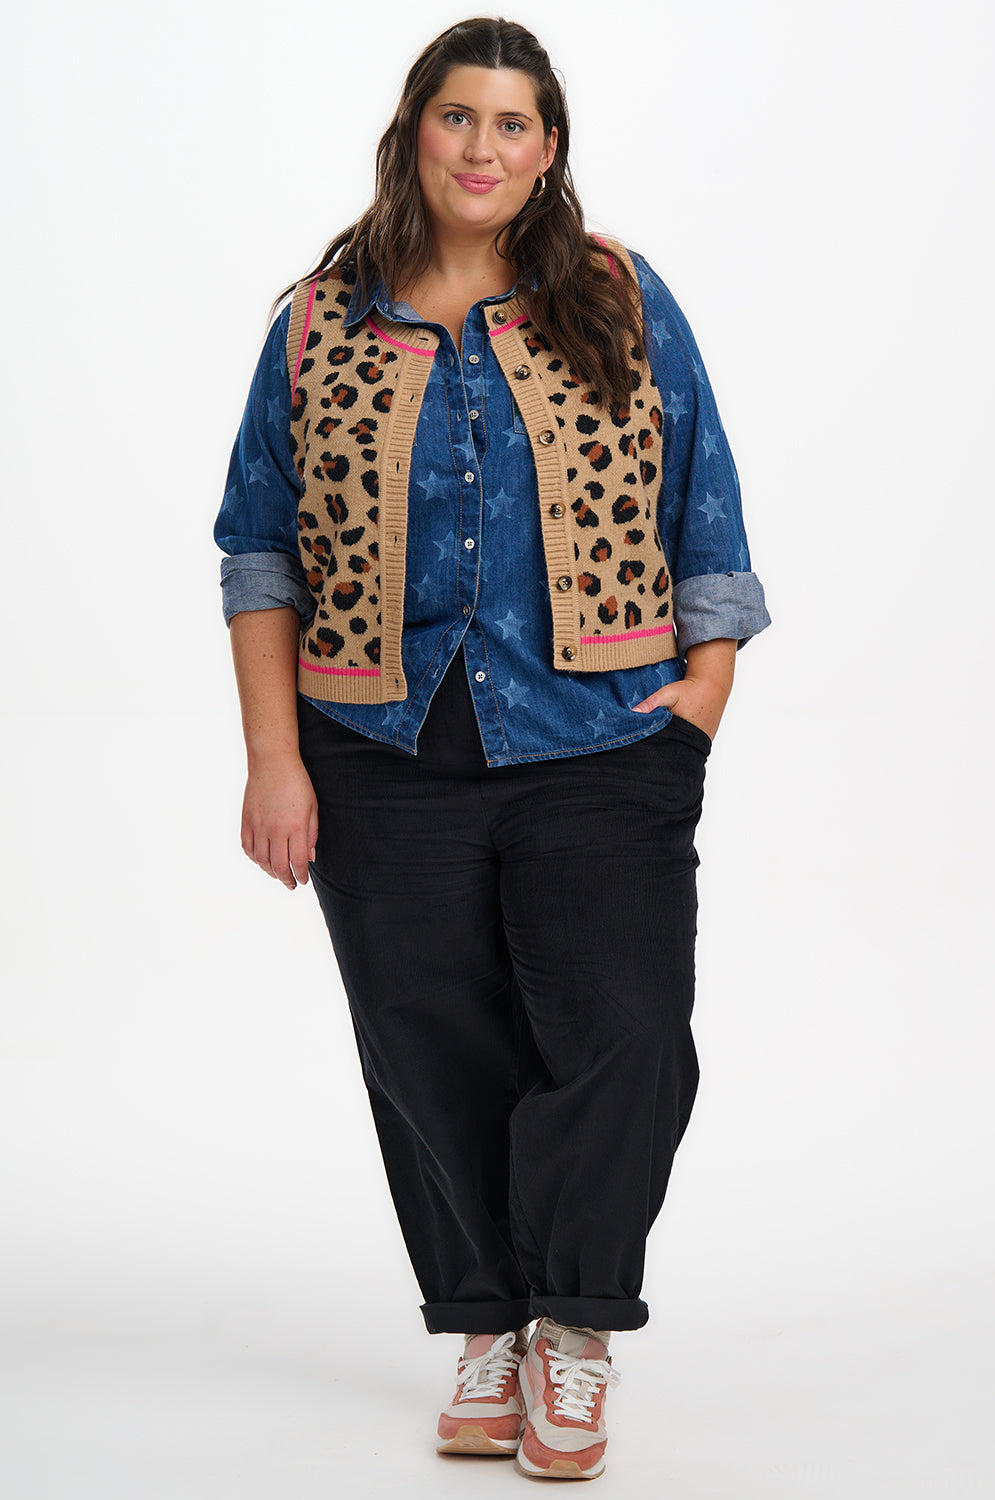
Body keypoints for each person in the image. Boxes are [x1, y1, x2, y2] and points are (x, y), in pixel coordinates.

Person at [215, 15, 769, 1481]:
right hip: (377, 749)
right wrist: (275, 761)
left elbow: (707, 507)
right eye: (459, 116)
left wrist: (701, 700)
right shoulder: (318, 323)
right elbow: (259, 553)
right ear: (416, 130)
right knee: (429, 1044)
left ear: (549, 148)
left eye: (513, 123)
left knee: (627, 1034)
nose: (483, 146)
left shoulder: (619, 297)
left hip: (604, 737)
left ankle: (573, 1324)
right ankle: (485, 1322)